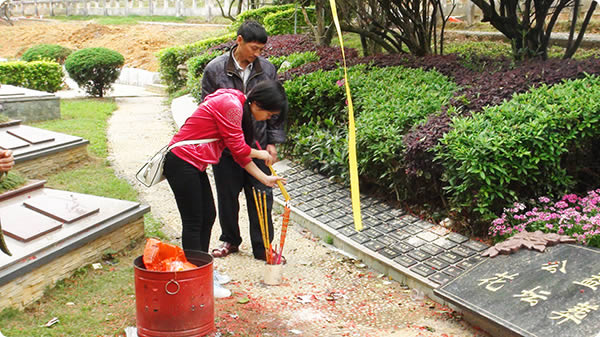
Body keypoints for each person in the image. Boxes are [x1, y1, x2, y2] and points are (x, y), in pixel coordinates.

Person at [163, 80, 287, 298]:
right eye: (269, 114)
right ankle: (195, 281)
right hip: (181, 162)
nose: (268, 119)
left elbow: (239, 155)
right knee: (194, 222)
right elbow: (238, 148)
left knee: (208, 215)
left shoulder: (238, 104)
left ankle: (202, 270)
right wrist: (262, 154)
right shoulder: (232, 105)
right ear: (257, 104)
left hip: (193, 164)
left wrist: (264, 178)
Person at [201, 20, 285, 262]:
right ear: (239, 40)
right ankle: (230, 239)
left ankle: (263, 247)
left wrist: (272, 141)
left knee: (262, 195)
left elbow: (274, 105)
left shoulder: (267, 69)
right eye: (253, 48)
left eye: (261, 50)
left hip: (257, 145)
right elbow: (207, 108)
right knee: (227, 195)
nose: (257, 54)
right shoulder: (214, 69)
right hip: (226, 148)